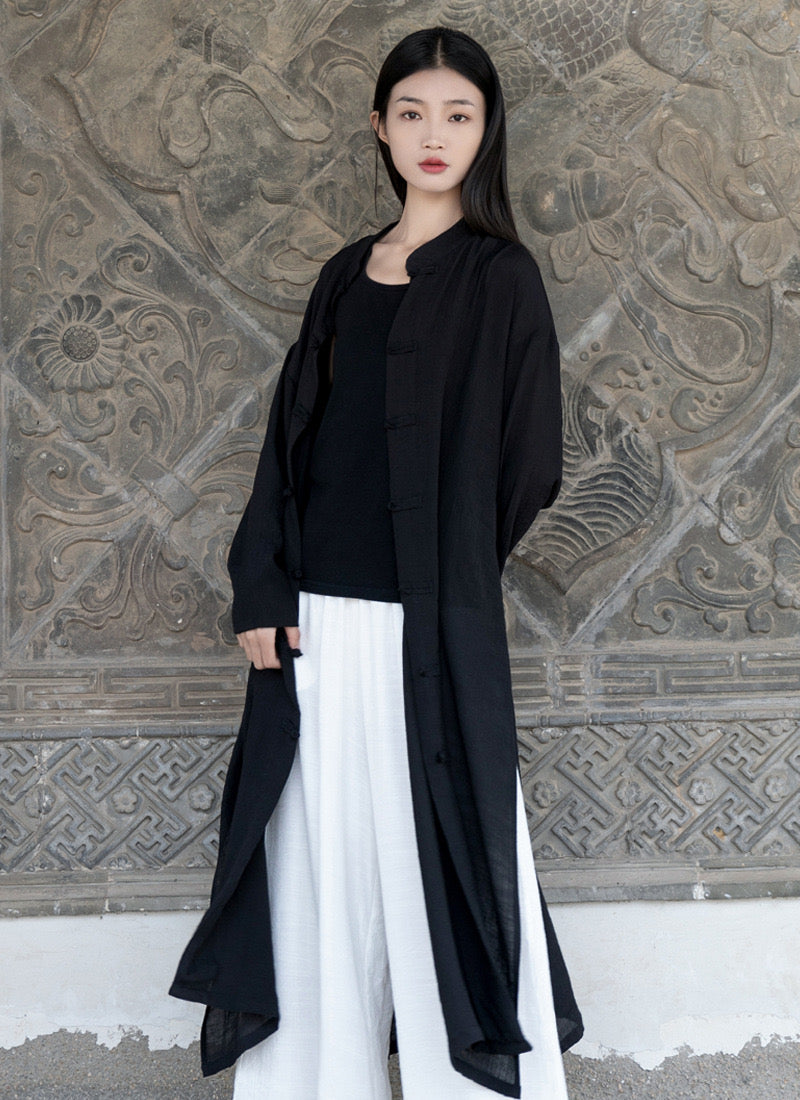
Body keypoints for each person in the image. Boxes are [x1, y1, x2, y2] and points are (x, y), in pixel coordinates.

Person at [169, 24, 584, 1100]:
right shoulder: (342, 278)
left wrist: (446, 567)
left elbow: (530, 460)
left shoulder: (501, 277)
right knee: (316, 867)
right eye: (411, 112)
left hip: (430, 628)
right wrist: (261, 587)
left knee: (440, 850)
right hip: (314, 621)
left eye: (457, 114)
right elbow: (288, 446)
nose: (433, 134)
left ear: (486, 131)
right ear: (380, 129)